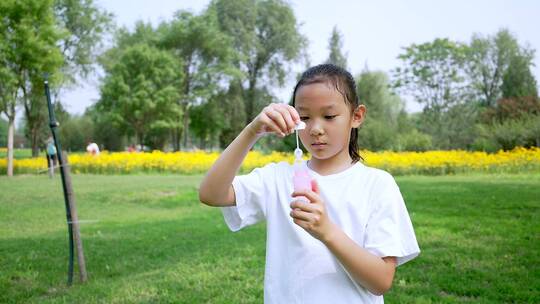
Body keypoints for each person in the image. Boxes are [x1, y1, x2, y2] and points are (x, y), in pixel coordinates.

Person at [199, 64, 420, 303]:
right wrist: (253, 131)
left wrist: (326, 231)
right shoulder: (278, 178)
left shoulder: (377, 185)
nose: (315, 129)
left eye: (329, 116)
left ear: (356, 116)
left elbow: (381, 281)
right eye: (304, 117)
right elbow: (211, 194)